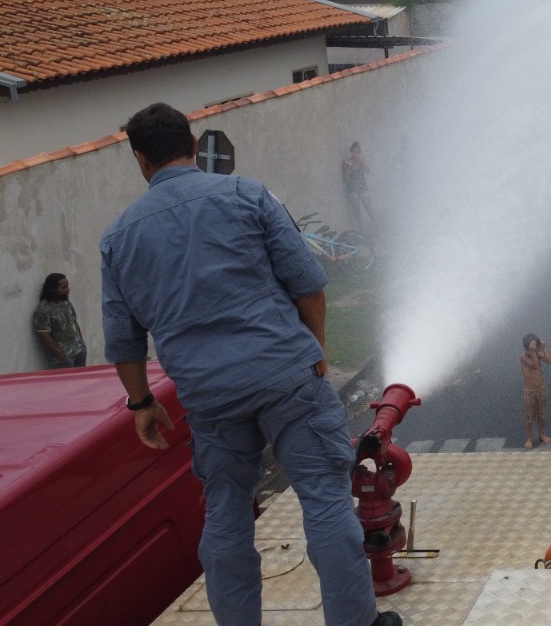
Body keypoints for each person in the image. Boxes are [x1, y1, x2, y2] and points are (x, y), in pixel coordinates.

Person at [101, 103, 398, 626]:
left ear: (141, 159)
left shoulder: (118, 237)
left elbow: (124, 343)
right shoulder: (247, 195)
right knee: (326, 503)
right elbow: (309, 287)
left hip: (210, 399)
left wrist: (142, 404)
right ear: (195, 146)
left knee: (226, 514)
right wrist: (316, 350)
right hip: (287, 377)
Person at [34, 272, 87, 368]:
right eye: (63, 287)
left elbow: (74, 322)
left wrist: (82, 344)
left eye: (67, 286)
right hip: (65, 358)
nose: (68, 290)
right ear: (52, 289)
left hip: (79, 352)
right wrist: (61, 356)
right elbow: (45, 336)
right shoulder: (44, 310)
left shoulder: (66, 303)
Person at [520, 334, 551, 449]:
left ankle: (542, 434)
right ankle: (529, 438)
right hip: (529, 391)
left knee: (542, 413)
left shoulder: (537, 354)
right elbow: (534, 365)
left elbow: (549, 360)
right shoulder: (523, 357)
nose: (535, 348)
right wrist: (533, 351)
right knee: (529, 416)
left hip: (540, 388)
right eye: (533, 346)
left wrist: (544, 348)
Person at [341, 141, 375, 233]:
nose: (355, 154)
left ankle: (375, 224)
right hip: (352, 189)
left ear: (359, 153)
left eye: (357, 152)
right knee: (356, 211)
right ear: (350, 152)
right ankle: (361, 230)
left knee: (369, 207)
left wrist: (362, 162)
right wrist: (348, 168)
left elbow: (368, 171)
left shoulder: (362, 160)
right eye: (353, 152)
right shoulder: (347, 162)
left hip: (363, 187)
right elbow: (345, 179)